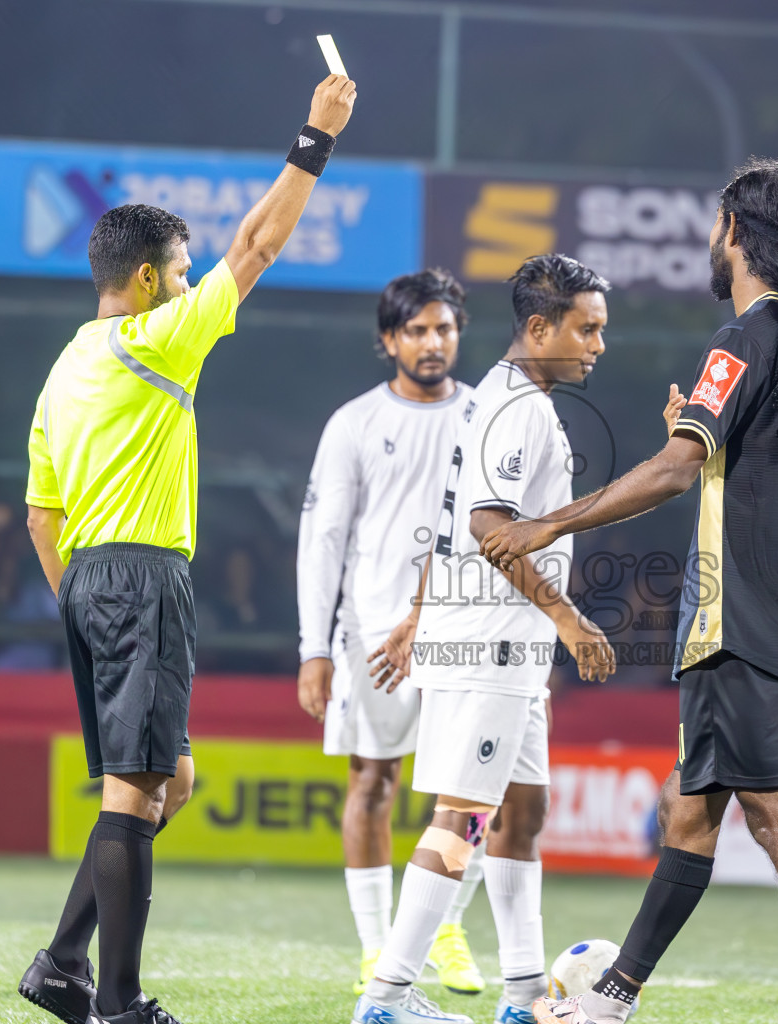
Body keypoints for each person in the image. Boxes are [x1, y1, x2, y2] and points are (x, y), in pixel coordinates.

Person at [482, 157, 778, 1024]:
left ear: (735, 232)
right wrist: (698, 446)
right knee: (688, 812)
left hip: (738, 624)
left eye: (716, 227)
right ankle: (612, 998)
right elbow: (750, 467)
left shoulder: (742, 339)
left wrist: (547, 525)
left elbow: (673, 470)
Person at [17, 73, 357, 1024]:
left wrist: (81, 604)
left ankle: (62, 964)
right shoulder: (157, 341)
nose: (190, 280)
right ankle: (119, 1004)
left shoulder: (63, 371)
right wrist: (316, 138)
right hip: (143, 575)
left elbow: (40, 517)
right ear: (144, 281)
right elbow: (258, 245)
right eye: (180, 269)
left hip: (86, 578)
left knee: (172, 782)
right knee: (137, 792)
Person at [352, 254, 618, 1024]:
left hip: (505, 648)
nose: (598, 345)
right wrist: (568, 618)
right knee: (463, 818)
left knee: (522, 812)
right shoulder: (518, 409)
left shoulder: (495, 398)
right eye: (586, 329)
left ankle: (524, 995)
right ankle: (386, 999)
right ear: (539, 327)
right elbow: (487, 528)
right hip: (491, 645)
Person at [295, 268, 486, 998]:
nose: (432, 342)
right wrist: (315, 649)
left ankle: (446, 926)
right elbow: (323, 542)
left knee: (471, 791)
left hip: (463, 630)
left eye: (444, 328)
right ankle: (376, 949)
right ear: (389, 340)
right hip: (371, 636)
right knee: (372, 782)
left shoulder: (486, 416)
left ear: (459, 334)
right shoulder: (354, 424)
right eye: (416, 330)